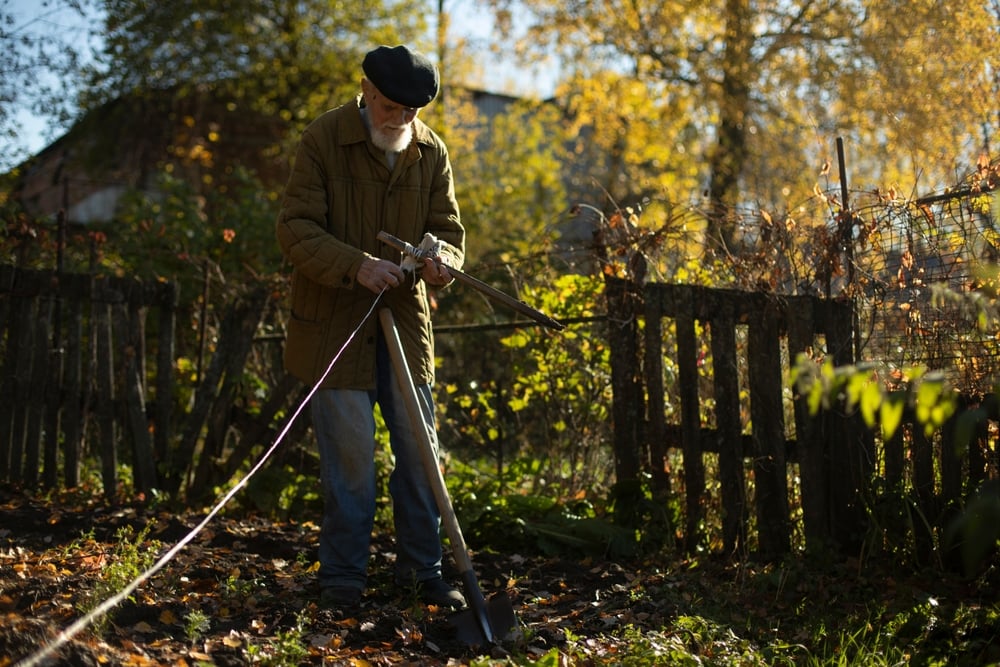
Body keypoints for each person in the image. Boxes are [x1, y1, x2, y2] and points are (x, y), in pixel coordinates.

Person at [275, 44, 466, 613]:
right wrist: (354, 264)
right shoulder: (323, 138)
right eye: (388, 107)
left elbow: (450, 233)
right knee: (353, 460)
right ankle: (342, 578)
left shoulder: (430, 151)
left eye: (410, 112)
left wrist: (441, 264)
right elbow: (295, 228)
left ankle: (422, 572)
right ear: (365, 90)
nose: (399, 120)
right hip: (334, 327)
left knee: (418, 453)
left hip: (406, 326)